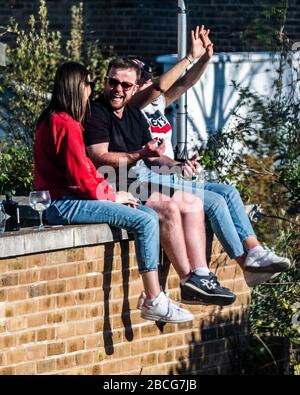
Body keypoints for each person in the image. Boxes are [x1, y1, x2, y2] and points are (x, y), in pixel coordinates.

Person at [128, 25, 291, 287]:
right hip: (154, 179)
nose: (148, 81)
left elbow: (185, 82)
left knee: (228, 191)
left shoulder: (156, 105)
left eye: (147, 77)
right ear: (134, 87)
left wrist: (205, 59)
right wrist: (189, 57)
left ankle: (255, 251)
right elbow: (150, 154)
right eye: (142, 79)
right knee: (214, 202)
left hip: (171, 174)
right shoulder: (131, 109)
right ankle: (243, 263)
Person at [33, 61, 195, 324]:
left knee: (145, 213)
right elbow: (80, 174)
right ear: (76, 87)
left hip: (69, 198)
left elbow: (86, 169)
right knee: (143, 219)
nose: (90, 90)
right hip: (62, 203)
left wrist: (111, 191)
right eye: (88, 84)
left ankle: (156, 296)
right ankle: (154, 298)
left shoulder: (58, 119)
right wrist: (112, 196)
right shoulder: (65, 124)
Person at [84, 57, 237, 307]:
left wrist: (178, 165)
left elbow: (154, 159)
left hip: (132, 179)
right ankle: (187, 277)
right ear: (105, 81)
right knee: (168, 208)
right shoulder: (96, 113)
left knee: (193, 203)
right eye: (113, 82)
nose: (118, 89)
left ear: (134, 88)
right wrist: (140, 154)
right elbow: (100, 156)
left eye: (125, 85)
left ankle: (200, 276)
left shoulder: (135, 115)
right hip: (109, 182)